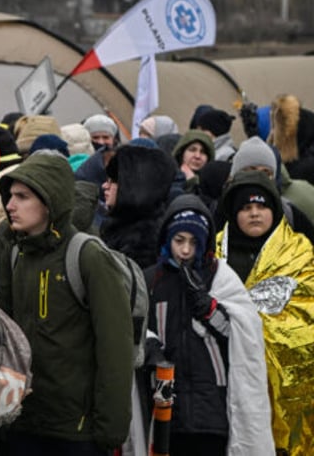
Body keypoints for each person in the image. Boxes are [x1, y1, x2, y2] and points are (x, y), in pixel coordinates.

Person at [0, 152, 133, 454]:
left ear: (49, 199)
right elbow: (7, 341)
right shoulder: (16, 253)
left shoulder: (88, 256)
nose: (10, 205)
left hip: (76, 432)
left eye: (22, 196)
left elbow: (115, 348)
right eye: (10, 196)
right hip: (23, 423)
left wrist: (109, 428)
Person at [143, 195, 273, 455]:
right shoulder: (152, 280)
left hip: (212, 409)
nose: (186, 250)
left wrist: (209, 309)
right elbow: (136, 328)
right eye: (179, 241)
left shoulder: (220, 277)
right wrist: (150, 346)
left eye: (194, 242)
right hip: (166, 407)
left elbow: (242, 337)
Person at [216, 170, 314, 454]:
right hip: (226, 382)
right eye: (246, 208)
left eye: (261, 206)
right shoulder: (213, 255)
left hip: (291, 388)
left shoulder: (300, 254)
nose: (255, 213)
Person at [99, 143, 178, 269]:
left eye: (113, 181)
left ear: (131, 187)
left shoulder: (143, 242)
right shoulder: (120, 224)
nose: (105, 186)